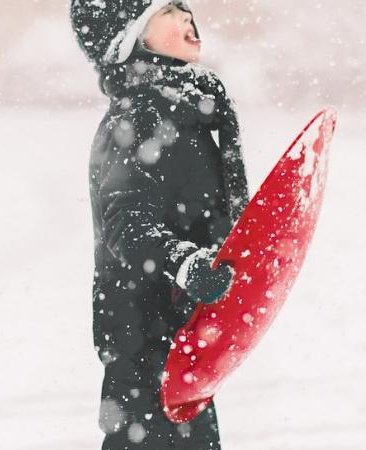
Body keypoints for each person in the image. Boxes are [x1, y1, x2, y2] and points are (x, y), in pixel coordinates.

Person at [70, 1, 251, 449]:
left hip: (180, 343)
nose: (187, 17)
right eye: (168, 11)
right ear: (131, 36)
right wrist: (186, 264)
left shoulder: (185, 113)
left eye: (185, 7)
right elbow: (124, 224)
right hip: (145, 347)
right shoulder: (138, 117)